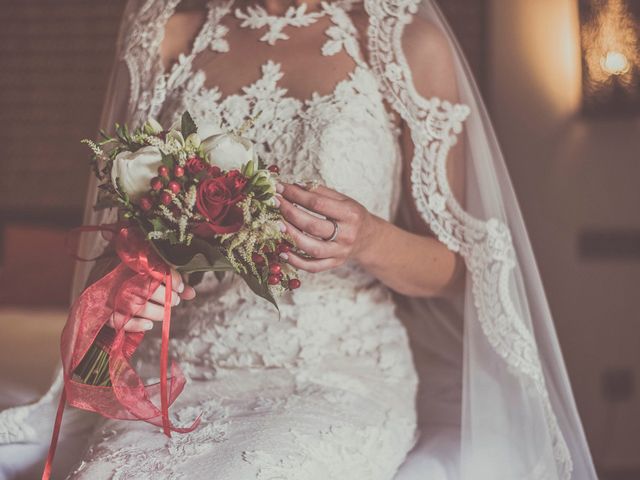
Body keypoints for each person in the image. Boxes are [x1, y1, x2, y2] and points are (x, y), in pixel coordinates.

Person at [0, 1, 598, 479]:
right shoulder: (166, 28)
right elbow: (123, 236)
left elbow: (463, 270)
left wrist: (369, 239)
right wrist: (133, 288)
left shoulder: (403, 40)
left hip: (332, 372)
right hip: (180, 374)